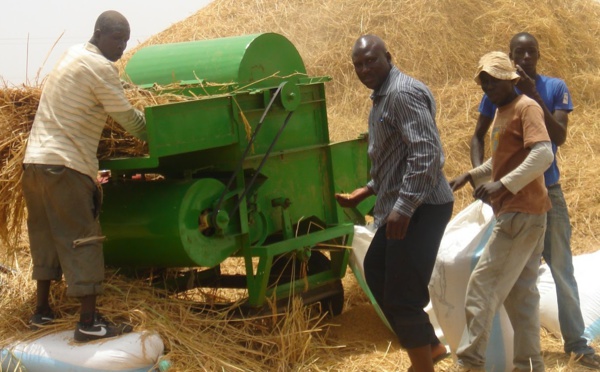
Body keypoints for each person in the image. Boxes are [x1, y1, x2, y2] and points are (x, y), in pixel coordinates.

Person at [470, 32, 600, 370]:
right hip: (510, 197)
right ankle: (528, 361)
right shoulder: (498, 93)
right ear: (511, 58)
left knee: (561, 269)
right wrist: (481, 177)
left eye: (531, 52)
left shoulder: (550, 89)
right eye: (519, 53)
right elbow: (481, 137)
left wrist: (532, 94)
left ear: (539, 55)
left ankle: (577, 344)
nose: (526, 57)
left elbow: (557, 140)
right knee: (522, 286)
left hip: (547, 192)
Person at [22, 10, 147, 342]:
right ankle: (89, 323)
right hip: (66, 165)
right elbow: (125, 116)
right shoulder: (100, 67)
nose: (122, 47)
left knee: (45, 234)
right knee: (83, 238)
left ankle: (41, 312)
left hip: (34, 163)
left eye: (125, 40)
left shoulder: (72, 56)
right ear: (99, 33)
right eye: (117, 39)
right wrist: (155, 132)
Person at [337, 35, 454, 372]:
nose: (364, 69)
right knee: (376, 270)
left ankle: (423, 365)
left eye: (371, 60)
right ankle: (429, 344)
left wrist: (403, 208)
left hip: (421, 206)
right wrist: (368, 190)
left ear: (388, 56)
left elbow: (426, 155)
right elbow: (396, 156)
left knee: (402, 296)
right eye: (358, 64)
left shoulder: (401, 94)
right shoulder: (382, 98)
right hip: (401, 204)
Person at [449, 51, 554, 372]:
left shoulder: (526, 107)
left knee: (481, 289)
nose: (487, 88)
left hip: (521, 212)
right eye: (483, 83)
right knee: (521, 298)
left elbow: (543, 154)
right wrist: (473, 174)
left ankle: (469, 364)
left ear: (510, 79)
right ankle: (530, 366)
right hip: (523, 214)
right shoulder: (502, 111)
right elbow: (504, 158)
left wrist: (503, 185)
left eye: (492, 82)